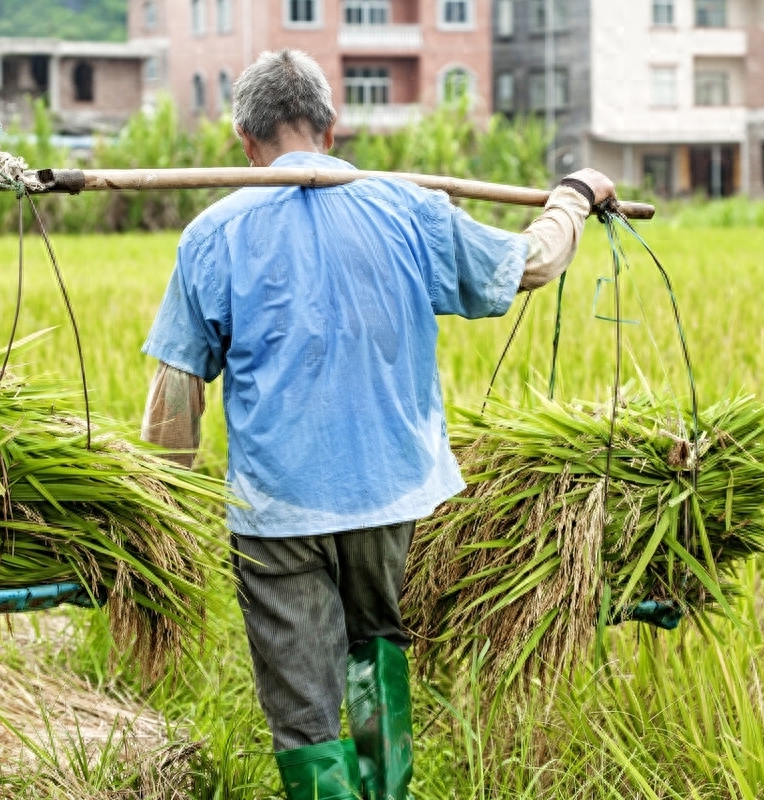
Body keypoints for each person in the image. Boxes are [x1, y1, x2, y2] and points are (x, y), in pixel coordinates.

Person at [140, 49, 615, 800]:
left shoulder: (213, 235)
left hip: (276, 510)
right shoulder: (409, 209)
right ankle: (385, 790)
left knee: (302, 711)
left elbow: (175, 397)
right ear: (331, 130)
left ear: (243, 140)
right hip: (392, 491)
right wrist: (575, 197)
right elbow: (530, 263)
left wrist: (163, 511)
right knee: (374, 649)